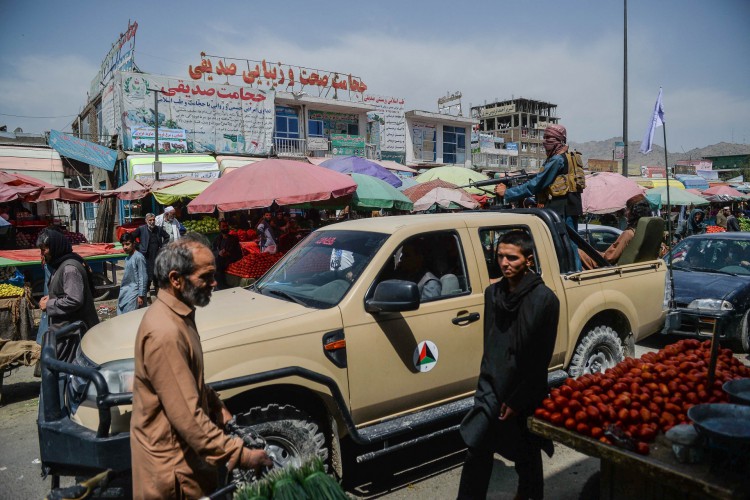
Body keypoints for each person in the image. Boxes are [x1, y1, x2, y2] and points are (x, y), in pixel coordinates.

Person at [130, 234, 272, 498]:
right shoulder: (166, 333)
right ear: (176, 279)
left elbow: (186, 381)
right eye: (206, 277)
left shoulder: (180, 313)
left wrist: (217, 406)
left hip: (184, 463)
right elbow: (188, 418)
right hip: (173, 473)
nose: (214, 283)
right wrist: (241, 455)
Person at [457, 231, 559, 500]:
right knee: (477, 451)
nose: (504, 263)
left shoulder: (545, 300)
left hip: (524, 390)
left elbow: (539, 359)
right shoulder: (493, 294)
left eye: (512, 257)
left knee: (527, 455)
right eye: (500, 256)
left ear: (528, 259)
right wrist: (487, 388)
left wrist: (517, 399)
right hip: (492, 387)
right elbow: (491, 347)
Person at [495, 124, 582, 232]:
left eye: (549, 138)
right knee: (568, 245)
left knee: (563, 245)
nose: (545, 141)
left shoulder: (557, 160)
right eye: (544, 137)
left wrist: (507, 193)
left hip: (562, 210)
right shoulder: (567, 156)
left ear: (559, 140)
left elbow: (536, 184)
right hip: (570, 207)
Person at [37, 229, 99, 358]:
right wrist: (53, 296)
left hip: (73, 334)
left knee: (69, 372)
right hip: (68, 331)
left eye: (45, 249)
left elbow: (74, 300)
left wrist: (49, 304)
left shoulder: (69, 268)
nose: (42, 254)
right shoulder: (60, 264)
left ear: (55, 247)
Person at [579, 195, 653, 269]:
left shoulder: (629, 234)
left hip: (608, 269)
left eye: (627, 209)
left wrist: (587, 252)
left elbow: (608, 258)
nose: (626, 213)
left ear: (635, 212)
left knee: (577, 252)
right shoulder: (648, 234)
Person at [134, 213, 170, 295]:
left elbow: (167, 236)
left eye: (153, 220)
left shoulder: (158, 229)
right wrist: (139, 247)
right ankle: (147, 295)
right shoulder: (141, 229)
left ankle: (158, 294)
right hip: (146, 256)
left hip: (156, 255)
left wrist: (163, 247)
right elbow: (131, 237)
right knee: (146, 274)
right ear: (146, 221)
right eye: (150, 220)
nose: (152, 222)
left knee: (157, 274)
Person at [117, 232, 148, 314]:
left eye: (127, 244)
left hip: (135, 293)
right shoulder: (128, 258)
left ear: (134, 243)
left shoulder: (139, 257)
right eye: (123, 245)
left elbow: (143, 277)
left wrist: (141, 295)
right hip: (126, 292)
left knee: (131, 318)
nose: (125, 247)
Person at [212, 219, 242, 290]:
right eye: (223, 226)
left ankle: (222, 288)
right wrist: (219, 253)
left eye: (226, 226)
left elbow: (239, 254)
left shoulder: (234, 239)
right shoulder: (217, 239)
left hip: (230, 261)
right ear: (220, 228)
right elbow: (213, 251)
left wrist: (228, 254)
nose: (225, 228)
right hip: (219, 261)